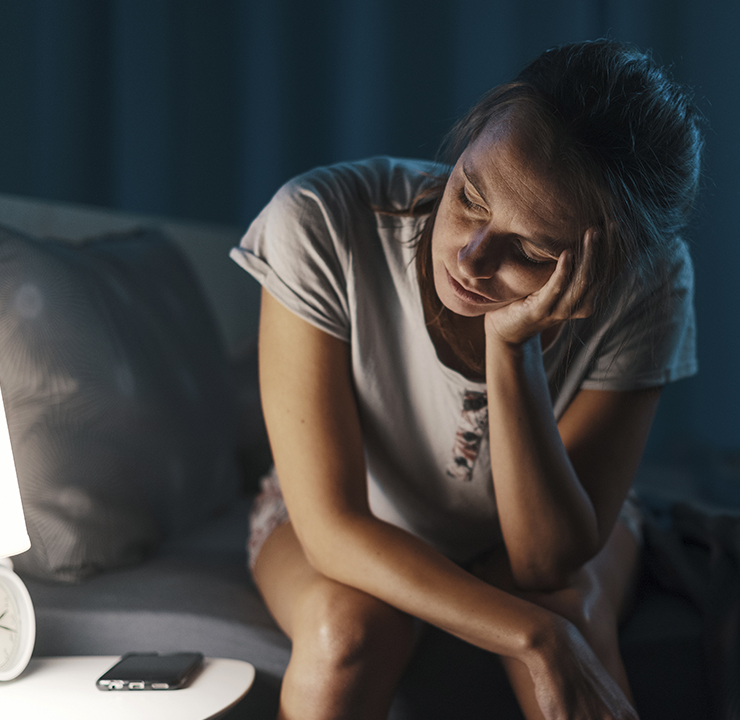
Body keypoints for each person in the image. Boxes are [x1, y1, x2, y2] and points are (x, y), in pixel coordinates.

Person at [231, 39, 702, 720]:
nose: (473, 258)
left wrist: (512, 349)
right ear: (470, 138)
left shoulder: (652, 283)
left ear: (608, 269)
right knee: (346, 631)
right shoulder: (322, 222)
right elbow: (331, 527)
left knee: (574, 608)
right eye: (470, 196)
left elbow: (545, 562)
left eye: (531, 251)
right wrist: (535, 635)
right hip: (358, 514)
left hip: (545, 527)